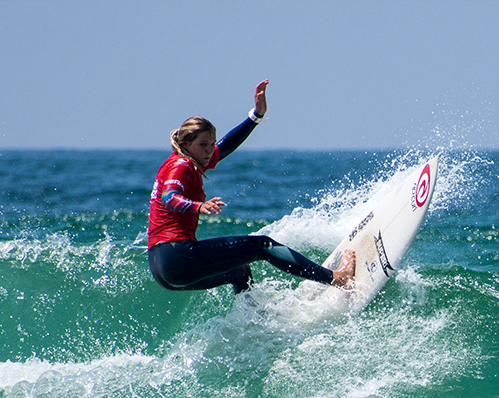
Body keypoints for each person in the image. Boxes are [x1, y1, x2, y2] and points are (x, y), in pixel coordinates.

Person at [147, 80, 355, 293]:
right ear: (185, 144)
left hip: (162, 268)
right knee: (263, 246)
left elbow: (226, 146)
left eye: (211, 143)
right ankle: (336, 278)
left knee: (239, 271)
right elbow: (169, 198)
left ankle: (253, 312)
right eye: (203, 144)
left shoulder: (192, 161)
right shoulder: (181, 165)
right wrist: (199, 206)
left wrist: (256, 116)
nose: (209, 150)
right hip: (177, 254)